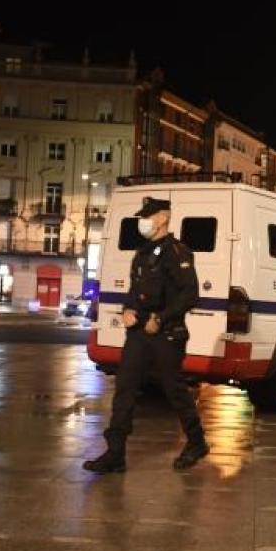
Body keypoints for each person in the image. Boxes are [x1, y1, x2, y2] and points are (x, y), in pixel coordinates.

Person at [83, 197, 209, 473]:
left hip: (167, 333)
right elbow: (134, 290)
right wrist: (127, 310)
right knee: (125, 388)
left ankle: (197, 442)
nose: (143, 222)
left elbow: (190, 294)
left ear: (163, 218)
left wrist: (162, 318)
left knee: (174, 390)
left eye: (148, 216)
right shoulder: (142, 253)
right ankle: (115, 453)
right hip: (139, 333)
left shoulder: (177, 253)